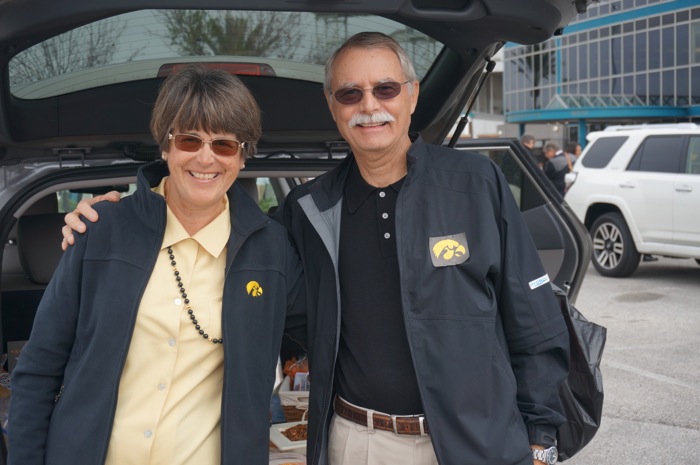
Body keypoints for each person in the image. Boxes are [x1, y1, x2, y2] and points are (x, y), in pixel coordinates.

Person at [62, 33, 569, 465]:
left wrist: (540, 437)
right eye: (350, 94)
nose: (369, 105)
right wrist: (126, 211)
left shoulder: (476, 184)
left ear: (411, 96)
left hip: (476, 441)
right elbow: (225, 239)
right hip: (357, 442)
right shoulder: (307, 209)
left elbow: (532, 318)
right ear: (333, 106)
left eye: (385, 89)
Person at [10, 65, 305, 465]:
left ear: (242, 157)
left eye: (224, 145)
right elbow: (38, 370)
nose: (205, 158)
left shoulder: (273, 250)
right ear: (165, 147)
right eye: (189, 139)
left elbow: (338, 331)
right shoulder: (101, 229)